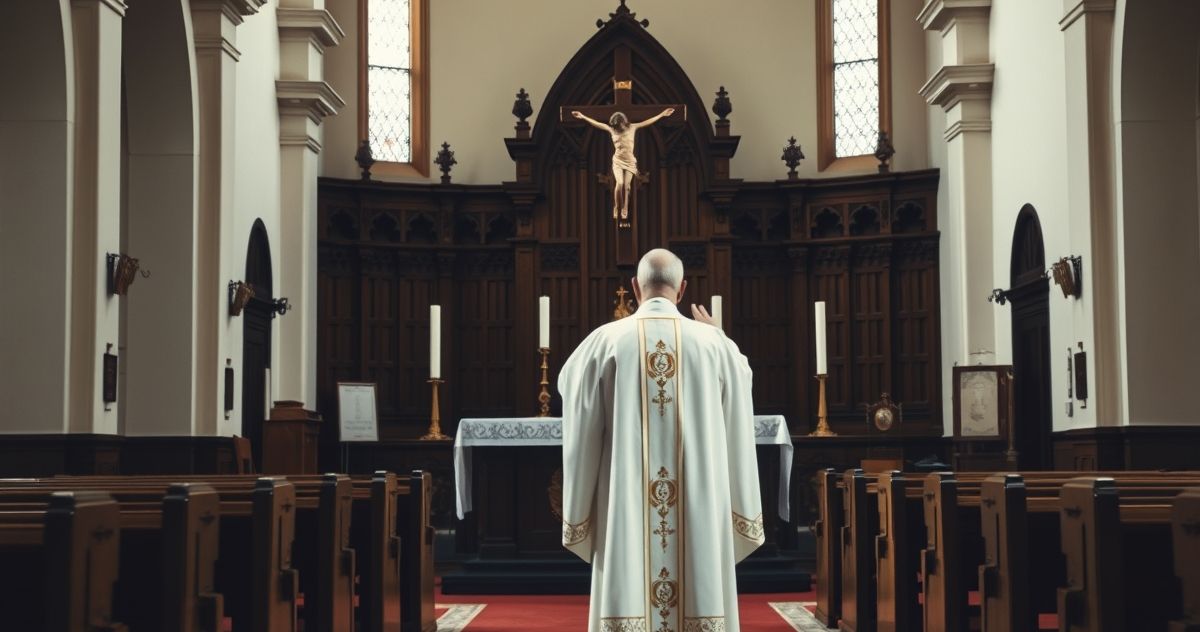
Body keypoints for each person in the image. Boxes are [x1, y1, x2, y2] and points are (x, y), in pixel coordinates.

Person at [558, 248, 764, 632]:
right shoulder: (714, 345)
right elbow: (741, 381)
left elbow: (570, 388)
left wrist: (578, 515)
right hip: (697, 504)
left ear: (635, 287)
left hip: (627, 501)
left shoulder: (604, 341)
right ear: (682, 289)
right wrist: (719, 337)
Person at [571, 108, 674, 225]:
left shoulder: (632, 128)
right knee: (619, 183)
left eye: (619, 126)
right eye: (616, 127)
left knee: (627, 186)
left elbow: (648, 121)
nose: (618, 129)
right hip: (618, 161)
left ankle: (625, 207)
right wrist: (583, 116)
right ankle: (616, 206)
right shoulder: (612, 130)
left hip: (630, 161)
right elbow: (598, 124)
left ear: (623, 122)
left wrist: (661, 114)